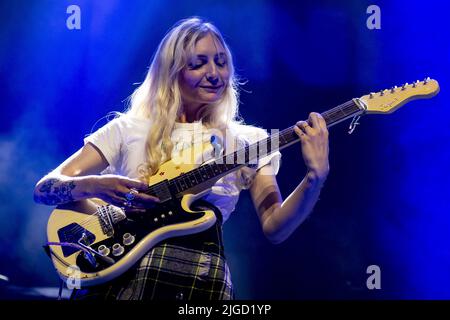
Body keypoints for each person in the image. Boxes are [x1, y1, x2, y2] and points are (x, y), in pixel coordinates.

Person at [33, 17, 329, 300]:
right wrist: (96, 186)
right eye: (198, 64)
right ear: (172, 70)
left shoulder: (248, 141)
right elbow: (45, 188)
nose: (214, 73)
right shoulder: (127, 129)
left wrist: (314, 178)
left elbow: (276, 228)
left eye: (221, 62)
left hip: (201, 278)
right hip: (121, 272)